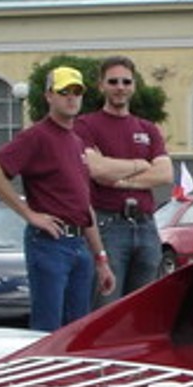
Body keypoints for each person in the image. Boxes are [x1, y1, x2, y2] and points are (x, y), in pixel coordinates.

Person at [0, 67, 116, 331]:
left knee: (77, 330)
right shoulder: (37, 136)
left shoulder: (75, 141)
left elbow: (83, 204)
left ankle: (72, 373)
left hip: (79, 246)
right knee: (47, 328)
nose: (71, 98)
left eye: (77, 92)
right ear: (49, 96)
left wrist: (101, 258)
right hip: (50, 243)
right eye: (64, 92)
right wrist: (28, 213)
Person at [76, 55, 173, 301]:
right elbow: (96, 170)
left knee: (142, 307)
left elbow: (165, 173)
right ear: (101, 85)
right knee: (106, 306)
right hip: (108, 226)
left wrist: (121, 180)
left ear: (134, 85)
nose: (120, 87)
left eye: (126, 81)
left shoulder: (148, 129)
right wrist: (139, 165)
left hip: (146, 226)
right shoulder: (86, 125)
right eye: (113, 81)